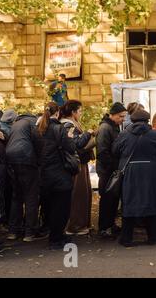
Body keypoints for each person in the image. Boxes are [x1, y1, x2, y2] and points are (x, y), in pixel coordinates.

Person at [112, 109, 156, 247]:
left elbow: (115, 151)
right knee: (151, 201)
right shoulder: (154, 134)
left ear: (133, 120)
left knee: (130, 202)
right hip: (151, 172)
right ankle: (153, 237)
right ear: (147, 121)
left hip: (131, 172)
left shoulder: (124, 134)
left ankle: (127, 238)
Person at [36, 102, 76, 249]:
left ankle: (55, 235)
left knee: (50, 207)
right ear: (57, 113)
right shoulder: (58, 128)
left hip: (44, 174)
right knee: (61, 208)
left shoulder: (39, 129)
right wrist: (70, 137)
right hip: (59, 174)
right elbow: (70, 148)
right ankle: (56, 238)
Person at [5, 111, 43, 242]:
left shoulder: (16, 123)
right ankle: (29, 232)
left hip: (10, 158)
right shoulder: (33, 122)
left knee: (17, 196)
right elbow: (38, 142)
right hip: (26, 159)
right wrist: (39, 160)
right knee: (31, 196)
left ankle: (13, 231)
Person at [60, 100, 95, 236]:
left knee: (82, 194)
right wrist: (89, 133)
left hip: (79, 163)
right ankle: (75, 226)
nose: (80, 114)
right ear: (73, 112)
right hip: (76, 165)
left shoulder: (69, 123)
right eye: (79, 111)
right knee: (79, 195)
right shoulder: (68, 125)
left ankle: (80, 224)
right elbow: (76, 144)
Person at [96, 102, 127, 238]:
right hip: (107, 170)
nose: (123, 119)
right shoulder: (105, 128)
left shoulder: (114, 127)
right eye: (121, 116)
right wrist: (112, 167)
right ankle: (104, 227)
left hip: (113, 169)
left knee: (113, 199)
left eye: (124, 116)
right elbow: (102, 151)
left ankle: (110, 224)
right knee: (107, 199)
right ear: (112, 114)